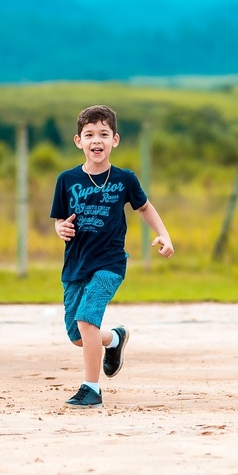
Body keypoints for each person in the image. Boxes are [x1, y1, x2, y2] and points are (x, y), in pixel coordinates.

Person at [50, 105, 173, 408]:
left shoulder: (124, 179)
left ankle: (91, 389)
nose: (97, 140)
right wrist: (60, 228)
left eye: (103, 134)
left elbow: (144, 207)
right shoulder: (66, 180)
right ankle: (114, 339)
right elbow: (58, 219)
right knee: (78, 334)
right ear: (78, 140)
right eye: (89, 134)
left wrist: (164, 234)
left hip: (110, 264)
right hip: (76, 266)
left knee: (86, 319)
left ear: (115, 140)